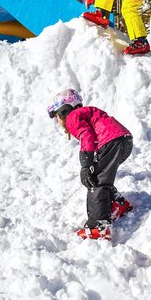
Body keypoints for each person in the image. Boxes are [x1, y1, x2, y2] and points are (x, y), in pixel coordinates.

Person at [47, 88, 133, 240]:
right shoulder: (83, 114)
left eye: (56, 116)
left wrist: (86, 166)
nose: (58, 122)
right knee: (100, 176)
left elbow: (87, 137)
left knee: (95, 181)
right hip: (123, 140)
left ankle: (98, 227)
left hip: (112, 141)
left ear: (64, 110)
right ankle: (118, 204)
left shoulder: (72, 117)